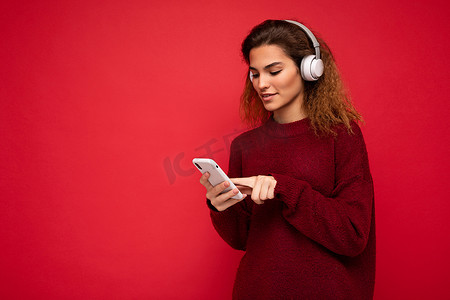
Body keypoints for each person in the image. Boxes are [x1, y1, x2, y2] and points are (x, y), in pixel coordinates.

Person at [199, 19, 375, 299]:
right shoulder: (245, 146)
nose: (262, 84)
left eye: (274, 71)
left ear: (309, 69)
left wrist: (284, 188)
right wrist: (223, 206)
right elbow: (242, 239)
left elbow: (352, 235)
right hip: (256, 290)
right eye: (255, 74)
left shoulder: (342, 136)